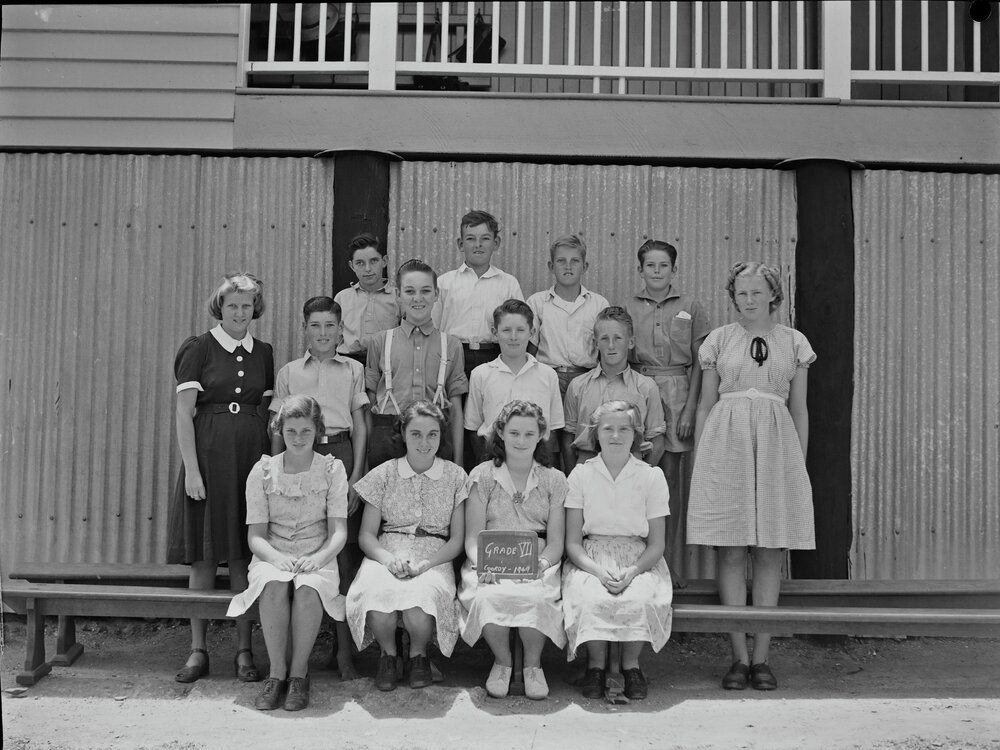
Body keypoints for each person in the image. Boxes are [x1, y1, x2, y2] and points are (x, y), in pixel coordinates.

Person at [687, 261, 816, 692]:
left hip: (777, 447)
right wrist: (705, 457)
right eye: (741, 294)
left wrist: (797, 463)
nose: (748, 301)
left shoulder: (794, 343)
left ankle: (763, 657)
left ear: (773, 296)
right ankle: (738, 658)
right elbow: (705, 403)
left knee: (767, 553)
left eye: (757, 293)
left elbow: (799, 408)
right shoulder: (720, 341)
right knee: (730, 551)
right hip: (726, 445)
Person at [168, 272, 273, 684]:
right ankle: (198, 650)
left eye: (247, 305)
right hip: (209, 457)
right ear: (220, 306)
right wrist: (192, 470)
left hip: (249, 458)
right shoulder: (199, 348)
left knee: (246, 555)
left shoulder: (263, 351)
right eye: (233, 305)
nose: (240, 312)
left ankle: (244, 650)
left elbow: (267, 414)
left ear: (255, 310)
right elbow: (182, 413)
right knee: (206, 555)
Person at [227, 395, 349, 711]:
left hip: (317, 554)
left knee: (309, 590)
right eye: (291, 431)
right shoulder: (263, 471)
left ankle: (298, 675)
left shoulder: (332, 470)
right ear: (280, 430)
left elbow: (339, 533)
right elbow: (255, 536)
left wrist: (319, 558)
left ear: (318, 431)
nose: (297, 438)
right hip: (273, 553)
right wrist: (275, 558)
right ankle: (276, 674)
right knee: (273, 586)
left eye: (305, 431)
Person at [271, 296, 367, 679]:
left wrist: (358, 472)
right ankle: (301, 657)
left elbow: (361, 424)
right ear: (304, 329)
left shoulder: (354, 369)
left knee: (340, 556)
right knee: (301, 549)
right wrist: (278, 472)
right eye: (316, 326)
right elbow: (279, 428)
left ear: (340, 330)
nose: (323, 333)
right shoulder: (290, 371)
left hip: (339, 453)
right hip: (299, 457)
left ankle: (345, 652)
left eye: (331, 326)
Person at [346, 400, 468, 691]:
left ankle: (418, 656)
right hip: (387, 550)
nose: (424, 442)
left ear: (441, 436)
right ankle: (388, 655)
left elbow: (457, 540)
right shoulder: (385, 473)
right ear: (402, 434)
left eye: (432, 434)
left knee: (420, 600)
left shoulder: (455, 476)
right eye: (416, 434)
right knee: (378, 593)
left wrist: (427, 564)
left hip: (434, 555)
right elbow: (366, 535)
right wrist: (388, 561)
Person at [561, 401, 673, 701]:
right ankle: (596, 666)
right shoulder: (581, 475)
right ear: (596, 434)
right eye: (608, 428)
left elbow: (657, 544)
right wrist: (597, 570)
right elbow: (572, 542)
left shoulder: (651, 476)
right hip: (590, 556)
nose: (616, 435)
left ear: (635, 434)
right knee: (591, 595)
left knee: (640, 595)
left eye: (624, 428)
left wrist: (634, 570)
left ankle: (631, 665)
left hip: (638, 557)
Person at [459, 400, 567, 700]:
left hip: (538, 559)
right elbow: (472, 537)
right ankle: (502, 661)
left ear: (541, 435)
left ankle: (533, 666)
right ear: (501, 434)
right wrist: (484, 564)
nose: (521, 441)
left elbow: (557, 542)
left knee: (535, 595)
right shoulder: (482, 476)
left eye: (529, 434)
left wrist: (542, 564)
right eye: (514, 433)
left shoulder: (554, 479)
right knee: (489, 594)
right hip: (489, 558)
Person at [625, 239, 710, 583]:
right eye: (650, 266)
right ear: (640, 270)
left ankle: (668, 562)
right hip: (640, 391)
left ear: (674, 270)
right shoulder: (628, 306)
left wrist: (690, 409)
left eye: (664, 266)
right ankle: (635, 560)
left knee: (670, 481)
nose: (657, 272)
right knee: (636, 476)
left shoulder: (690, 305)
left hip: (677, 393)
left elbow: (702, 361)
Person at [366, 259, 468, 468]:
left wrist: (458, 463)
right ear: (398, 295)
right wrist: (367, 463)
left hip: (436, 439)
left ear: (436, 295)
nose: (418, 298)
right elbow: (368, 406)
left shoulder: (451, 345)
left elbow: (456, 410)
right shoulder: (379, 342)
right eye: (410, 291)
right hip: (387, 439)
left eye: (426, 291)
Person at [561, 307, 666, 469]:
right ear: (596, 343)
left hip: (632, 468)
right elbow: (568, 436)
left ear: (630, 342)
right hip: (587, 469)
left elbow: (656, 439)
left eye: (618, 338)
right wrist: (573, 476)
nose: (611, 345)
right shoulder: (578, 386)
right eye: (604, 338)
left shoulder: (646, 387)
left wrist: (642, 476)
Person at [464, 299, 564, 466]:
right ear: (494, 332)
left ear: (532, 332)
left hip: (537, 461)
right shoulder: (481, 375)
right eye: (506, 330)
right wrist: (486, 464)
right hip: (493, 460)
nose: (513, 337)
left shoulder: (548, 375)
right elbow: (473, 428)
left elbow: (553, 430)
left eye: (520, 330)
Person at [434, 210, 524, 380]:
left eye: (485, 238)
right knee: (455, 404)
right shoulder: (444, 283)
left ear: (496, 243)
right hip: (453, 357)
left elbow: (518, 326)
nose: (478, 244)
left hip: (494, 356)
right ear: (460, 244)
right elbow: (433, 327)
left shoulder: (508, 283)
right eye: (470, 239)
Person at [526, 234, 609, 397]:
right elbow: (530, 348)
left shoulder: (599, 304)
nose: (568, 266)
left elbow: (604, 349)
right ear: (551, 266)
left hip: (587, 378)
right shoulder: (537, 303)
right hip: (547, 377)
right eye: (561, 261)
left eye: (575, 261)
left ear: (585, 266)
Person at [334, 233, 401, 366]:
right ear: (351, 265)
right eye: (360, 263)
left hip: (386, 363)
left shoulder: (397, 297)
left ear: (384, 261)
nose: (368, 269)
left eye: (374, 261)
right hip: (348, 362)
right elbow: (335, 337)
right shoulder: (342, 298)